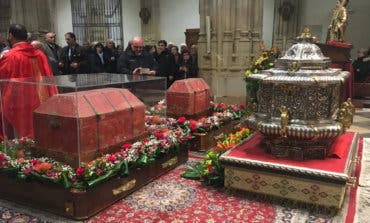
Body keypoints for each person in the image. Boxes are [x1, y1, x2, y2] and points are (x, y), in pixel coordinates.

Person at [0, 24, 58, 139]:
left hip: (19, 104)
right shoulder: (40, 54)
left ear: (10, 36)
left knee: (20, 137)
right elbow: (48, 78)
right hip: (40, 103)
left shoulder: (10, 56)